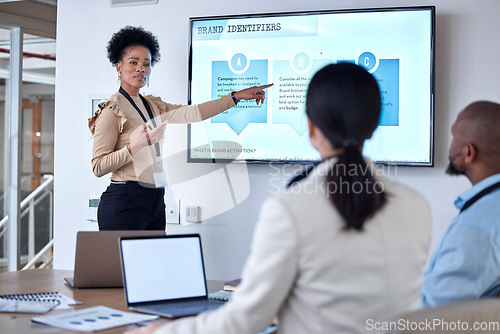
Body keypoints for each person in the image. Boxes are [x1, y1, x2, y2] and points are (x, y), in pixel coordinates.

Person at [126, 63, 431, 334]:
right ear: (375, 125)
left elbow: (243, 322)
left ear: (311, 127)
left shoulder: (291, 209)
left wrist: (158, 331)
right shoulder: (417, 206)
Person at [88, 26, 271, 230]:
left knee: (155, 262)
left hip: (155, 198)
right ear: (119, 66)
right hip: (125, 200)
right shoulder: (112, 110)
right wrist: (135, 146)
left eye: (146, 64)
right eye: (133, 62)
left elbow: (194, 113)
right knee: (121, 263)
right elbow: (98, 166)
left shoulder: (152, 105)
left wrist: (235, 97)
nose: (141, 69)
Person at [421, 101, 500, 308]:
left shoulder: (477, 227)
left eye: (454, 136)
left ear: (468, 152)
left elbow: (433, 315)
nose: (450, 145)